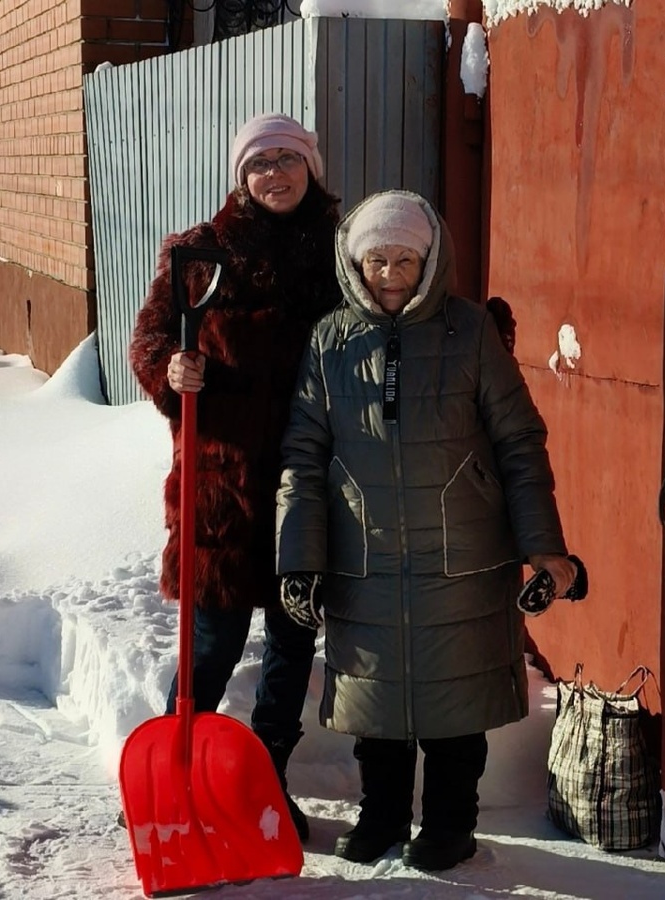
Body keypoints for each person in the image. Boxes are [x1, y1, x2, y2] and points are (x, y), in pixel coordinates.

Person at [275, 190, 579, 871]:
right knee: (376, 695)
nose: (390, 274)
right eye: (376, 260)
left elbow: (519, 441)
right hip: (365, 550)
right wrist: (300, 559)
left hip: (462, 551)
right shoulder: (330, 340)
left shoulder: (468, 332)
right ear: (355, 265)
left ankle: (448, 824)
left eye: (405, 260)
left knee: (454, 700)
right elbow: (303, 456)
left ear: (430, 261)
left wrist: (542, 545)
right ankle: (381, 815)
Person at [129, 112, 342, 842]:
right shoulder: (200, 254)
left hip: (312, 480)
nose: (275, 173)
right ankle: (176, 782)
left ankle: (266, 785)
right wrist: (170, 370)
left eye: (289, 158)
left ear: (312, 167)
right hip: (221, 483)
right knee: (211, 644)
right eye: (260, 162)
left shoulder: (340, 253)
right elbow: (150, 338)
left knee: (291, 644)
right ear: (241, 176)